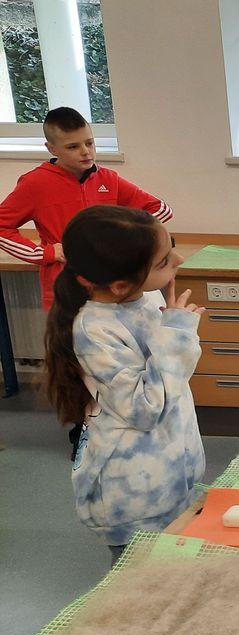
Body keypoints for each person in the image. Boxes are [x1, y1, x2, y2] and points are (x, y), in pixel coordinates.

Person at [43, 205, 204, 566]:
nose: (178, 260)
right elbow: (146, 408)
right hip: (136, 496)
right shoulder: (95, 330)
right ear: (119, 285)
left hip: (171, 475)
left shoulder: (143, 299)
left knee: (175, 572)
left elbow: (169, 383)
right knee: (141, 583)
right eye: (164, 261)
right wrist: (177, 335)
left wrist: (174, 331)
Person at [0, 107, 173, 311]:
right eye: (73, 146)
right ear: (52, 149)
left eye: (89, 143)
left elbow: (160, 209)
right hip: (66, 292)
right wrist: (43, 253)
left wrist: (124, 239)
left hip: (111, 289)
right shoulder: (35, 184)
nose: (85, 151)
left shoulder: (108, 178)